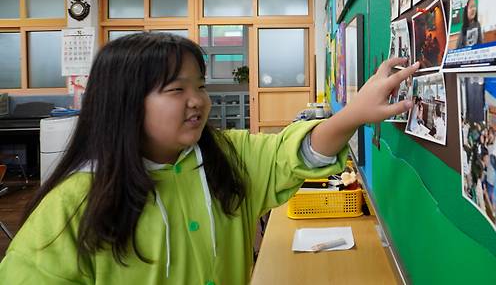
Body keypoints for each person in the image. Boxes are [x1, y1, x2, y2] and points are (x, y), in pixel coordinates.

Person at [0, 33, 419, 285]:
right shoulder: (73, 205)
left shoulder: (226, 157)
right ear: (124, 102)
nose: (198, 101)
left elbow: (295, 154)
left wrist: (352, 115)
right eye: (176, 90)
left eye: (199, 86)